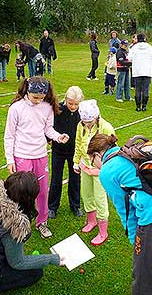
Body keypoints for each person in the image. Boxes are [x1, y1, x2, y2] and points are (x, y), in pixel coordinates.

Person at [87, 134, 152, 295]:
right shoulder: (130, 153)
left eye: (91, 160)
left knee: (144, 278)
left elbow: (125, 210)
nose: (93, 164)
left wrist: (136, 242)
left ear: (97, 155)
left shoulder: (107, 172)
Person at [4, 76, 70, 239]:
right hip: (22, 156)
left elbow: (48, 129)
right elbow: (9, 136)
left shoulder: (47, 107)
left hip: (40, 155)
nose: (38, 101)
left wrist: (57, 137)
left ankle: (42, 222)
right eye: (35, 97)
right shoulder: (16, 108)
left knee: (41, 191)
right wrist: (10, 159)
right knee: (21, 193)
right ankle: (20, 223)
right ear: (27, 91)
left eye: (41, 98)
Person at [73, 99, 115, 246]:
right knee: (87, 194)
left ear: (96, 116)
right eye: (84, 121)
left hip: (100, 170)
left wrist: (106, 170)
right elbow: (78, 143)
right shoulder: (80, 126)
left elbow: (112, 153)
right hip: (85, 166)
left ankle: (103, 230)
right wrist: (76, 161)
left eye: (89, 122)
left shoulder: (106, 128)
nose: (86, 124)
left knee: (99, 198)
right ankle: (91, 221)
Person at [48, 86, 84, 219]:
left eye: (76, 104)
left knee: (75, 179)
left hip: (75, 152)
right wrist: (50, 139)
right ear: (66, 100)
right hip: (58, 150)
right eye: (70, 103)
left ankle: (75, 205)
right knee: (56, 179)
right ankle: (52, 206)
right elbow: (49, 126)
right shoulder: (58, 110)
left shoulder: (82, 113)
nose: (73, 107)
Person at [128, 33, 152, 112]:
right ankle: (144, 106)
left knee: (138, 89)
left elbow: (129, 58)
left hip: (137, 71)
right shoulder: (150, 47)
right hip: (147, 71)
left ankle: (138, 106)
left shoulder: (134, 48)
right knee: (145, 89)